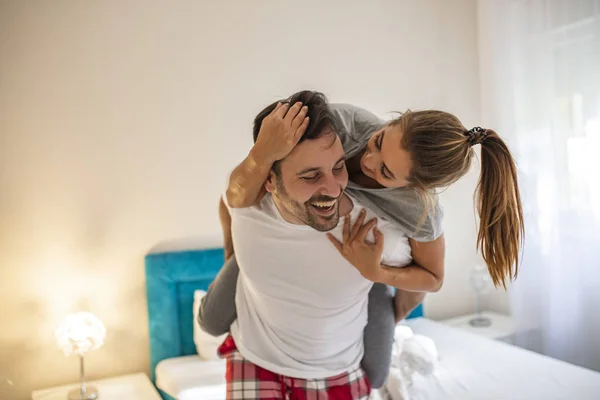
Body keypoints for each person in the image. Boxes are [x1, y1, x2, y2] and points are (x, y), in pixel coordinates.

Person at [214, 91, 421, 399]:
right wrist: (236, 258)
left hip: (338, 372)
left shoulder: (375, 232)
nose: (333, 188)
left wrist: (379, 278)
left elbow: (423, 283)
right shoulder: (248, 208)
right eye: (311, 176)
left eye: (338, 167)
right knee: (210, 319)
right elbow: (226, 205)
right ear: (270, 181)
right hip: (253, 359)